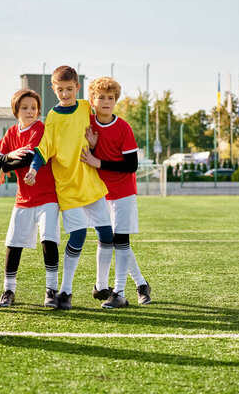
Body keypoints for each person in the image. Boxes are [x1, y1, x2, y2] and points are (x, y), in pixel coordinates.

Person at [25, 65, 114, 310]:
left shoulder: (86, 107)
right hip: (68, 187)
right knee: (79, 235)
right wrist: (33, 168)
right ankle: (65, 291)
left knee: (107, 235)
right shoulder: (52, 117)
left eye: (69, 89)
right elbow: (44, 148)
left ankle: (101, 285)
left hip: (91, 183)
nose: (65, 94)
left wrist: (95, 145)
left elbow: (105, 119)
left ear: (77, 87)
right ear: (54, 89)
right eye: (60, 90)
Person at [81, 76, 152, 308]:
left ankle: (119, 292)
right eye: (101, 97)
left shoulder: (123, 127)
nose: (106, 101)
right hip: (99, 192)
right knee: (108, 239)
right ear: (92, 99)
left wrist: (97, 161)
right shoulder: (88, 123)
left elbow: (131, 165)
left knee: (121, 239)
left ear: (115, 101)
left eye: (110, 98)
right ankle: (134, 284)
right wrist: (91, 146)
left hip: (123, 191)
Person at [0, 89, 60, 308]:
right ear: (16, 111)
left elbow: (27, 158)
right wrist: (6, 158)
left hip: (48, 196)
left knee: (48, 240)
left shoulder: (40, 128)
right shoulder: (11, 132)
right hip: (23, 198)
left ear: (38, 110)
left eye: (33, 107)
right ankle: (8, 290)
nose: (30, 111)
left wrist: (4, 165)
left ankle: (51, 290)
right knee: (13, 243)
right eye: (24, 108)